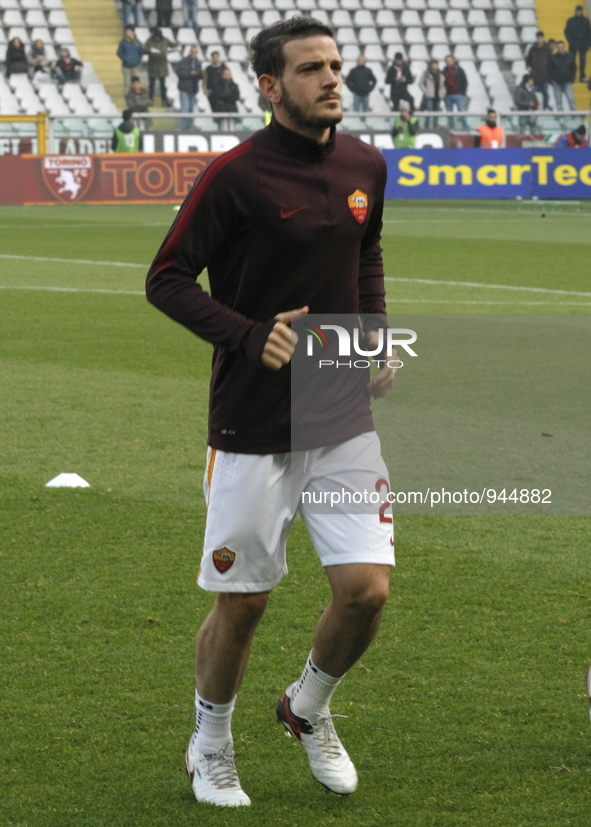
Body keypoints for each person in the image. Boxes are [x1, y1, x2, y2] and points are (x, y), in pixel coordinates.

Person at [145, 14, 395, 809]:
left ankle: (306, 706)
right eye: (311, 69)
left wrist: (375, 338)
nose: (332, 79)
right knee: (244, 602)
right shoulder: (237, 175)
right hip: (252, 425)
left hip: (342, 417)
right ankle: (209, 743)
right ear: (268, 86)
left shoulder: (364, 162)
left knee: (365, 590)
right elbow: (168, 277)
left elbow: (366, 254)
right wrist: (250, 336)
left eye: (335, 65)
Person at [145, 28, 177, 106]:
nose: (157, 38)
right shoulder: (150, 40)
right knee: (151, 85)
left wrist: (177, 45)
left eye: (158, 37)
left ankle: (164, 100)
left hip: (162, 66)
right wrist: (149, 50)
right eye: (156, 37)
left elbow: (173, 45)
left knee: (163, 85)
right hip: (152, 66)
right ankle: (150, 100)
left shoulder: (165, 40)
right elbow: (144, 49)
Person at [176, 45, 202, 129]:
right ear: (190, 52)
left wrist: (200, 74)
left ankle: (189, 128)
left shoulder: (198, 62)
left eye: (195, 52)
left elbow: (200, 74)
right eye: (192, 52)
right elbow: (179, 73)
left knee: (191, 109)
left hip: (193, 88)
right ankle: (184, 129)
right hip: (184, 88)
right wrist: (190, 73)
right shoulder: (184, 61)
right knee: (185, 109)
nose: (194, 54)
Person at [526, 31, 552, 110]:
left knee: (545, 93)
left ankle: (545, 108)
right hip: (534, 75)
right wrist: (528, 66)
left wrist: (548, 72)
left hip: (544, 75)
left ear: (543, 38)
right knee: (533, 94)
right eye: (538, 38)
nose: (539, 39)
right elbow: (528, 59)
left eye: (540, 38)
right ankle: (534, 108)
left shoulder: (547, 49)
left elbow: (551, 61)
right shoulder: (533, 48)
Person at [564, 5, 591, 82]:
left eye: (580, 10)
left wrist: (589, 44)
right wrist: (571, 41)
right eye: (577, 10)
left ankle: (582, 76)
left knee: (583, 62)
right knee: (572, 62)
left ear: (582, 11)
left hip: (583, 45)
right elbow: (566, 32)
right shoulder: (570, 20)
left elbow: (589, 33)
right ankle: (572, 77)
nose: (579, 12)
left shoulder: (586, 21)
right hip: (573, 45)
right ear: (575, 11)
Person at [443, 54, 468, 130]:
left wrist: (462, 92)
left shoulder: (459, 70)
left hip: (458, 94)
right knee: (449, 113)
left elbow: (465, 81)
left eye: (450, 60)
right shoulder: (444, 70)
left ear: (453, 61)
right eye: (447, 61)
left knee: (461, 111)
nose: (449, 62)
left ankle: (465, 127)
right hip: (448, 95)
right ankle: (451, 127)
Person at [550, 40, 576, 110]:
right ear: (557, 48)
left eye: (562, 47)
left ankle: (574, 116)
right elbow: (549, 70)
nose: (560, 49)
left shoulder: (570, 56)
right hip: (557, 83)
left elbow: (574, 69)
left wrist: (572, 80)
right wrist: (552, 80)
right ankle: (561, 116)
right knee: (558, 102)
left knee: (571, 100)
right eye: (559, 47)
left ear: (564, 47)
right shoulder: (553, 57)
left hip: (567, 82)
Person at [418, 59, 445, 127]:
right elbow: (420, 83)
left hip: (438, 96)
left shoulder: (441, 73)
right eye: (434, 64)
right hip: (430, 96)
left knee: (436, 113)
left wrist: (443, 92)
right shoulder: (426, 73)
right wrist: (426, 91)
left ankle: (435, 127)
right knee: (429, 112)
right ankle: (426, 127)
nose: (436, 65)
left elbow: (443, 84)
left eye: (436, 64)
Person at [117, 26, 143, 95]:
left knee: (135, 82)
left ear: (133, 32)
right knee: (127, 83)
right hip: (126, 66)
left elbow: (141, 53)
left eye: (129, 31)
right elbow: (119, 52)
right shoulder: (123, 42)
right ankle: (127, 100)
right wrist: (126, 59)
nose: (127, 33)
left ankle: (136, 98)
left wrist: (138, 60)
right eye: (126, 31)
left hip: (135, 66)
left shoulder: (138, 43)